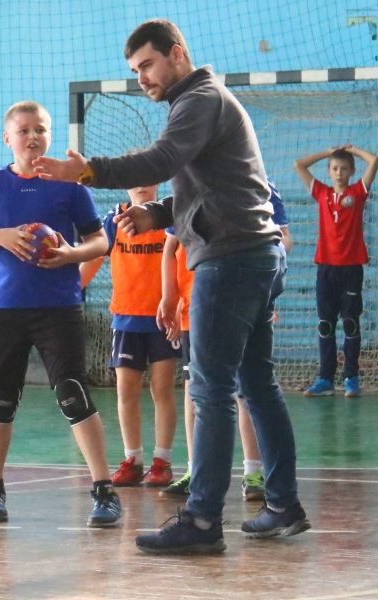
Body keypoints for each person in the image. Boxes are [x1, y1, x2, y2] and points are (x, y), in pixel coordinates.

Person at [34, 19, 310, 554]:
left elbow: (161, 160)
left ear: (176, 53)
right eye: (135, 69)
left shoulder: (199, 100)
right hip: (254, 254)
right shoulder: (203, 101)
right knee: (256, 383)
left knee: (210, 389)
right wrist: (158, 213)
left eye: (147, 65)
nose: (141, 77)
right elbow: (210, 186)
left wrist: (87, 171)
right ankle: (283, 505)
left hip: (230, 261)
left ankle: (202, 521)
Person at [0, 100, 121, 528]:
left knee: (72, 393)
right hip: (7, 309)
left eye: (40, 129)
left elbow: (100, 241)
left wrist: (72, 254)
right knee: (2, 399)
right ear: (8, 138)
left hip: (59, 307)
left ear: (50, 136)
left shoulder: (70, 186)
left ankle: (104, 490)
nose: (33, 137)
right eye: (23, 130)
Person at [161, 180, 294, 502]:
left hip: (242, 295)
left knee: (247, 388)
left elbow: (284, 238)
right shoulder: (188, 186)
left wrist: (261, 264)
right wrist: (169, 296)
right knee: (198, 388)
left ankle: (253, 472)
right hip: (197, 304)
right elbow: (170, 248)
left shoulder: (260, 188)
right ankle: (195, 471)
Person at [79, 182, 179, 488]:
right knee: (126, 391)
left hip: (163, 319)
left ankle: (162, 461)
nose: (143, 186)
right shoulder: (114, 221)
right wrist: (66, 291)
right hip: (126, 319)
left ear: (158, 182)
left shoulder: (169, 218)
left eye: (149, 179)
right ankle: (133, 459)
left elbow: (182, 264)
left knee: (162, 389)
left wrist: (180, 307)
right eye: (136, 180)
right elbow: (92, 259)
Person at [295, 145, 378, 398]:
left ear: (352, 171)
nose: (339, 173)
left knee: (351, 323)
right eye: (335, 168)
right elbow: (300, 165)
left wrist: (354, 150)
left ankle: (351, 378)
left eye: (344, 168)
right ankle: (325, 379)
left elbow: (374, 161)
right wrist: (328, 152)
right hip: (326, 268)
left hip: (351, 269)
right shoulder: (321, 192)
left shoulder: (358, 192)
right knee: (326, 324)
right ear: (329, 171)